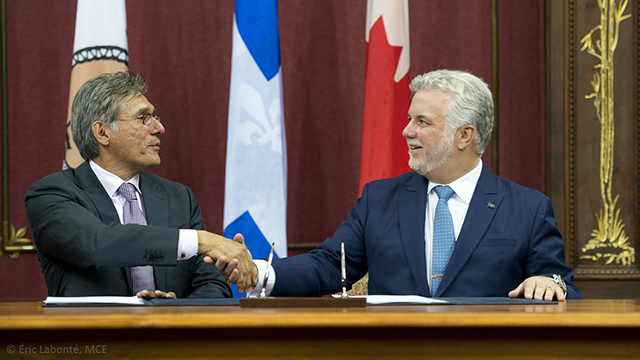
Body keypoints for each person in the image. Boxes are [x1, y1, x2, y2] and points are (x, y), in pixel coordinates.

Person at [229, 69, 581, 301]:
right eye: (409, 119)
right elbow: (327, 267)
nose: (407, 131)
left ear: (464, 135)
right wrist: (259, 271)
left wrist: (551, 284)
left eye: (422, 121)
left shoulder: (527, 208)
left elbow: (562, 284)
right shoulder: (379, 199)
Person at [25, 71, 257, 299]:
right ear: (102, 132)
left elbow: (212, 285)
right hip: (95, 335)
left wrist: (176, 314)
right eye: (144, 118)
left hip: (173, 334)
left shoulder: (178, 197)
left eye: (156, 117)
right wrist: (200, 240)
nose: (159, 128)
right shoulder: (51, 194)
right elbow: (97, 243)